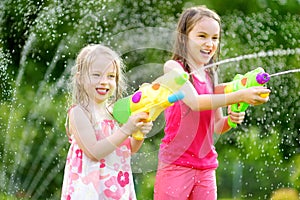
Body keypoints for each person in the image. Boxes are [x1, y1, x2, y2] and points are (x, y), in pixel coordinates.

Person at [154, 5, 271, 200]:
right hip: (176, 164)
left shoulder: (211, 75)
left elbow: (217, 125)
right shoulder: (174, 68)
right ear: (183, 37)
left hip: (206, 167)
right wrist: (240, 95)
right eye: (202, 36)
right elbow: (195, 102)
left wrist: (231, 120)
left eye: (215, 38)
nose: (209, 43)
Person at [61, 44, 153, 200]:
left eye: (111, 76)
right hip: (90, 190)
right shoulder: (79, 113)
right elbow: (95, 152)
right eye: (96, 75)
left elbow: (129, 148)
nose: (104, 81)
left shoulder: (115, 111)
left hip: (116, 188)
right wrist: (127, 129)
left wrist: (138, 132)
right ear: (80, 78)